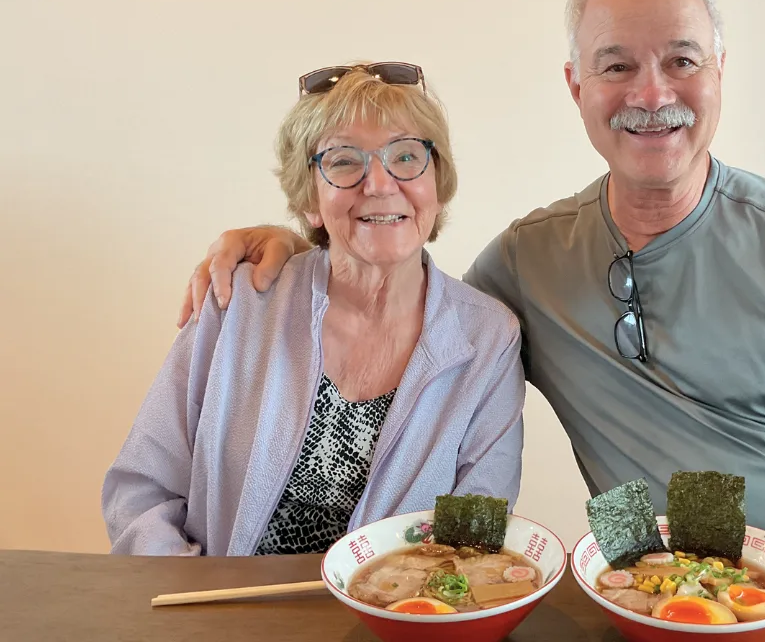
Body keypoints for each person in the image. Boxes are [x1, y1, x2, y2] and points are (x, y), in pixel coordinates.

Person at [176, 0, 765, 560]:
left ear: (720, 73)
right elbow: (404, 287)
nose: (649, 92)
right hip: (645, 595)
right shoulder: (528, 262)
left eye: (683, 60)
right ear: (576, 86)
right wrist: (297, 239)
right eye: (616, 64)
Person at [103, 62, 525, 556]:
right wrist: (204, 612)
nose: (380, 183)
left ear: (437, 183)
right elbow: (141, 492)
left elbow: (473, 536)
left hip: (394, 621)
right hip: (219, 618)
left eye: (407, 156)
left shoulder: (489, 338)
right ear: (309, 200)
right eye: (345, 161)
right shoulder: (239, 302)